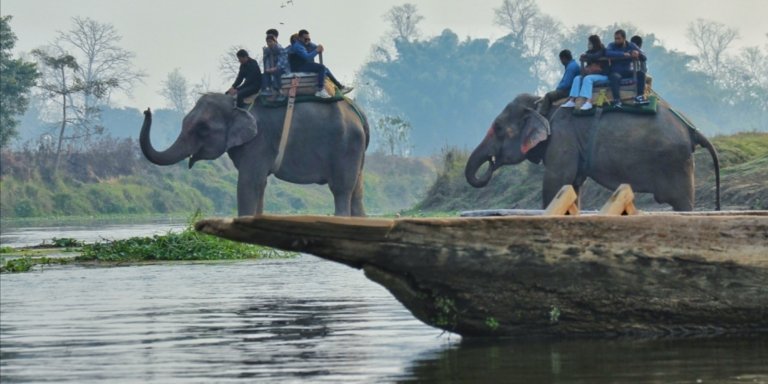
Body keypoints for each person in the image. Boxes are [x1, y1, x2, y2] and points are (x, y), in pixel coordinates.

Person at [287, 29, 350, 98]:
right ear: (299, 38)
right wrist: (317, 50)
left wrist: (319, 47)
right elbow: (307, 57)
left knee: (325, 69)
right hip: (298, 67)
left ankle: (340, 86)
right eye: (305, 39)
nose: (307, 40)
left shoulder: (306, 43)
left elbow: (316, 47)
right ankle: (320, 90)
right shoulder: (297, 46)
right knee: (321, 67)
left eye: (308, 39)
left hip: (303, 64)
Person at [562, 35, 609, 111]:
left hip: (602, 75)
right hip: (592, 74)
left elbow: (596, 56)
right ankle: (572, 100)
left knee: (587, 79)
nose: (588, 45)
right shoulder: (589, 52)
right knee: (577, 78)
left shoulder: (602, 50)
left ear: (594, 43)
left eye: (590, 43)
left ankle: (588, 102)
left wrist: (586, 55)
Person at [606, 29, 647, 106]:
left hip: (628, 71)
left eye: (618, 38)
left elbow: (644, 57)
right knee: (614, 77)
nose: (616, 40)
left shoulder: (631, 45)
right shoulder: (612, 45)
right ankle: (617, 100)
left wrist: (638, 53)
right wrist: (623, 54)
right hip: (616, 72)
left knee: (641, 74)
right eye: (615, 38)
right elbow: (607, 52)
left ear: (624, 39)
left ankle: (639, 97)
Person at [538, 49, 580, 116]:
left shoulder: (571, 67)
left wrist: (558, 88)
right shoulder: (573, 65)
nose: (561, 62)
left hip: (568, 90)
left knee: (548, 96)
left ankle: (542, 114)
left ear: (564, 58)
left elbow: (566, 84)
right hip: (571, 88)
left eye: (561, 60)